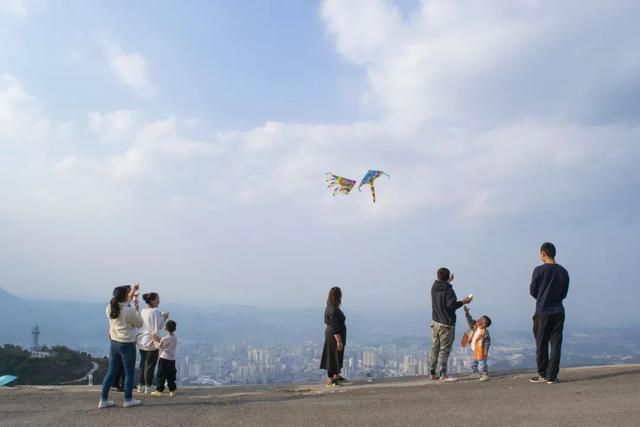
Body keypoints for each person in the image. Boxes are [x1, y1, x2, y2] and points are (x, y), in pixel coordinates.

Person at [529, 242, 570, 384]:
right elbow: (564, 293)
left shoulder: (539, 270)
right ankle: (552, 376)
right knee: (556, 344)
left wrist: (542, 297)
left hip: (542, 311)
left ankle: (542, 374)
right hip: (558, 311)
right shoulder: (563, 271)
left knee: (541, 344)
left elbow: (533, 290)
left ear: (543, 254)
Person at [99, 284, 144, 409]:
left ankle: (103, 399)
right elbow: (139, 323)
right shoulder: (128, 311)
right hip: (127, 344)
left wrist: (133, 291)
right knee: (129, 372)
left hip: (114, 343)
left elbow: (125, 302)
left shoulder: (110, 307)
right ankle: (128, 399)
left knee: (111, 372)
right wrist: (136, 308)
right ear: (125, 296)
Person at [429, 268, 472, 383]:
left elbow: (442, 286)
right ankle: (443, 374)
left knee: (435, 348)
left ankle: (432, 373)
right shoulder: (448, 290)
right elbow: (451, 305)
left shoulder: (434, 287)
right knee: (444, 350)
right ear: (448, 277)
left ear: (437, 276)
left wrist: (448, 282)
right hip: (446, 324)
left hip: (435, 322)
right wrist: (464, 301)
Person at [136, 292, 169, 394]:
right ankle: (148, 386)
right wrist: (164, 317)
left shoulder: (143, 311)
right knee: (150, 365)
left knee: (143, 364)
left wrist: (161, 316)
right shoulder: (156, 311)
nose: (159, 301)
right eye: (157, 299)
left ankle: (141, 385)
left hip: (142, 340)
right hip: (151, 341)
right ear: (152, 300)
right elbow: (159, 327)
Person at [320, 287, 347, 387]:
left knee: (337, 355)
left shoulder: (330, 306)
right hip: (334, 336)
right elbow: (335, 327)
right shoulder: (333, 310)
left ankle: (336, 375)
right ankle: (330, 379)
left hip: (332, 333)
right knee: (332, 355)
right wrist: (339, 341)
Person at [461, 306, 492, 381]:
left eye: (482, 319)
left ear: (485, 324)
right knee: (474, 363)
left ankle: (485, 374)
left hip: (481, 349)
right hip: (475, 349)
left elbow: (487, 342)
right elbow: (470, 321)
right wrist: (467, 313)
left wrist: (485, 350)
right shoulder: (476, 326)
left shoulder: (485, 332)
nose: (479, 320)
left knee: (482, 363)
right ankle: (475, 373)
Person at [151, 320, 178, 396]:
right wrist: (160, 339)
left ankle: (159, 390)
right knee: (171, 375)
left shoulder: (164, 338)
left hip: (164, 359)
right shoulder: (175, 338)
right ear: (174, 329)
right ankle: (172, 391)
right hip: (172, 359)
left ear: (166, 328)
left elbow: (159, 347)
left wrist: (154, 341)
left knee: (161, 374)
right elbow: (168, 343)